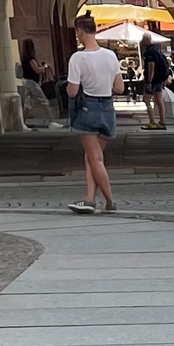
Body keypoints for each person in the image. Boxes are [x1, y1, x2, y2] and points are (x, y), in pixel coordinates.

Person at [62, 14, 121, 214]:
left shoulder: (78, 58)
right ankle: (89, 198)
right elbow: (119, 87)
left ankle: (109, 200)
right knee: (92, 157)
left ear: (79, 31)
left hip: (87, 109)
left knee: (95, 158)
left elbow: (72, 91)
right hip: (107, 109)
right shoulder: (111, 55)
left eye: (76, 32)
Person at [139, 34, 173, 131]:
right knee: (159, 100)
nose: (142, 42)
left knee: (146, 99)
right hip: (160, 79)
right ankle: (162, 122)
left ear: (146, 40)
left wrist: (149, 81)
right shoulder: (157, 50)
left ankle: (152, 122)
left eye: (143, 40)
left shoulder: (149, 52)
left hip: (153, 80)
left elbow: (151, 67)